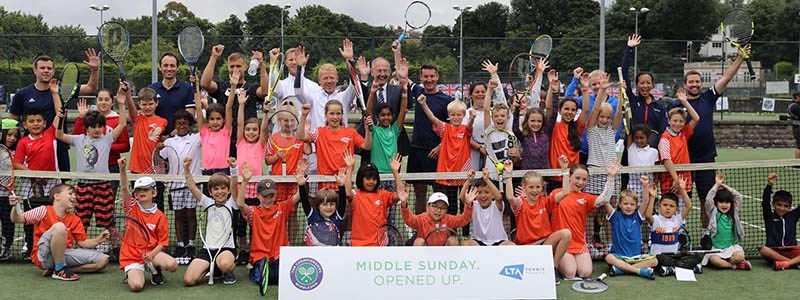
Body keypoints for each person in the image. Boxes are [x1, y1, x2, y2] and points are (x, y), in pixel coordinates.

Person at [670, 44, 752, 244]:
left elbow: (726, 77)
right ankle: (680, 233)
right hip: (684, 160)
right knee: (682, 199)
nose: (695, 84)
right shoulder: (675, 104)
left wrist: (740, 58)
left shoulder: (709, 97)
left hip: (706, 158)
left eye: (698, 81)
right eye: (691, 82)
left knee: (706, 200)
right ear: (685, 84)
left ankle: (706, 235)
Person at [54, 82, 128, 243]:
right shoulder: (79, 140)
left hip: (103, 185)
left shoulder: (107, 139)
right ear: (86, 128)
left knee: (108, 219)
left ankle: (115, 246)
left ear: (103, 127)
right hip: (83, 186)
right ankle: (80, 244)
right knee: (82, 219)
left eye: (100, 126)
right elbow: (59, 135)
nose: (96, 129)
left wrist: (122, 104)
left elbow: (122, 124)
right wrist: (60, 118)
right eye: (93, 127)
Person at [8, 50, 100, 173]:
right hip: (32, 149)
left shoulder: (63, 89)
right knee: (32, 187)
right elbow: (12, 122)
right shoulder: (22, 94)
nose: (46, 70)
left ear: (53, 71)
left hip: (59, 146)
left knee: (62, 187)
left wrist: (95, 69)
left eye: (49, 68)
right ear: (35, 70)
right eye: (42, 68)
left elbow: (90, 88)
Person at [8, 185, 110, 280]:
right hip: (43, 256)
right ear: (56, 196)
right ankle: (60, 268)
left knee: (103, 260)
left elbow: (83, 243)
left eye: (75, 194)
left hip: (63, 254)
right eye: (70, 194)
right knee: (59, 227)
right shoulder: (43, 210)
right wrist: (14, 207)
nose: (74, 196)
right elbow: (17, 219)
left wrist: (98, 240)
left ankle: (58, 269)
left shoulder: (75, 219)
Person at [12, 79, 64, 261]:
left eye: (39, 121)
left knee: (51, 217)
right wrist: (33, 175)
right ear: (25, 125)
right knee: (29, 219)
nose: (35, 124)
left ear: (44, 123)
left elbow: (59, 113)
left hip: (51, 185)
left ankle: (52, 246)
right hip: (30, 187)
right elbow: (17, 163)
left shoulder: (50, 134)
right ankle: (29, 247)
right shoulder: (23, 142)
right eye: (31, 121)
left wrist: (55, 93)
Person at [550, 160, 619, 279]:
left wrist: (611, 177)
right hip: (562, 244)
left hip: (579, 243)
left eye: (584, 179)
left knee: (585, 272)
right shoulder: (556, 193)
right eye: (577, 178)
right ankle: (554, 260)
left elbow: (604, 198)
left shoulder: (585, 198)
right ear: (569, 177)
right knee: (570, 273)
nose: (580, 182)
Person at [117, 158, 177, 291]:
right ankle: (133, 273)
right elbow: (124, 188)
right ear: (136, 194)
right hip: (131, 254)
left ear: (154, 193)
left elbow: (162, 243)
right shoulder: (130, 208)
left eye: (145, 189)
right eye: (139, 190)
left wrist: (151, 255)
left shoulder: (160, 216)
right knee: (137, 286)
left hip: (151, 252)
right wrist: (122, 169)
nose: (142, 192)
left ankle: (155, 269)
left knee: (172, 265)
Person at [200, 45, 271, 156]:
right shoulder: (222, 86)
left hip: (247, 138)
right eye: (232, 66)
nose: (235, 69)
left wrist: (261, 64)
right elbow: (205, 83)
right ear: (228, 68)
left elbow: (265, 91)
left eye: (238, 66)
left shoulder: (251, 87)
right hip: (225, 138)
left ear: (245, 67)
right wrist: (214, 57)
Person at [238, 162, 301, 286]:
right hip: (260, 257)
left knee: (281, 276)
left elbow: (298, 196)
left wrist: (301, 180)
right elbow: (240, 203)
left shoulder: (282, 207)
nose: (268, 199)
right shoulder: (253, 212)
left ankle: (265, 272)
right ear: (258, 196)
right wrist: (245, 181)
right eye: (265, 196)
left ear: (275, 195)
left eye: (271, 196)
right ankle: (258, 270)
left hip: (279, 255)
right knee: (261, 278)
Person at [182, 157, 239, 286]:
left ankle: (226, 271)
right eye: (216, 189)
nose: (220, 192)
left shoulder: (232, 203)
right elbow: (192, 187)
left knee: (225, 264)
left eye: (223, 188)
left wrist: (234, 169)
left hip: (226, 249)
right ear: (211, 192)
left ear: (228, 190)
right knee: (188, 280)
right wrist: (186, 169)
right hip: (207, 249)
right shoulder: (207, 203)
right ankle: (212, 268)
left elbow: (235, 185)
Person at [407, 64, 453, 214]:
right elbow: (402, 76)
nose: (429, 80)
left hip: (437, 153)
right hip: (416, 151)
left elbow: (452, 129)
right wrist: (397, 52)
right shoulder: (418, 91)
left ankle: (441, 230)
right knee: (419, 194)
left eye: (432, 76)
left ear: (437, 77)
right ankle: (419, 230)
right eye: (425, 76)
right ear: (421, 78)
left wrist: (441, 146)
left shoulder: (447, 100)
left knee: (440, 194)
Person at [417, 94, 473, 217]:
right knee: (451, 206)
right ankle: (451, 232)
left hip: (464, 173)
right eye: (453, 115)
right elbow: (432, 118)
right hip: (448, 174)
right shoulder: (445, 129)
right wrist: (423, 104)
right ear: (449, 116)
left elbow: (469, 126)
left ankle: (466, 233)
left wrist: (472, 118)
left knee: (465, 203)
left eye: (459, 115)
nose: (456, 117)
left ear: (463, 116)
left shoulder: (465, 129)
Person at [297, 101, 373, 192]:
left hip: (345, 182)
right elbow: (301, 136)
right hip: (325, 184)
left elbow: (366, 146)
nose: (335, 117)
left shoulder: (350, 132)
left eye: (338, 114)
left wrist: (368, 131)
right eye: (332, 113)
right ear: (325, 115)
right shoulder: (318, 132)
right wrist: (303, 116)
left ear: (342, 115)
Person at [72, 89, 131, 202]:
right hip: (89, 170)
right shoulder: (88, 118)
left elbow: (125, 146)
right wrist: (80, 117)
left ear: (112, 102)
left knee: (108, 203)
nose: (103, 102)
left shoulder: (117, 119)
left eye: (107, 99)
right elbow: (76, 137)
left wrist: (103, 148)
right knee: (86, 203)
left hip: (111, 166)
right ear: (96, 101)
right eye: (100, 99)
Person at [233, 85, 269, 265]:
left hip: (256, 192)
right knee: (240, 225)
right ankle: (243, 251)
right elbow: (239, 123)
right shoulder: (240, 142)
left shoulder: (261, 144)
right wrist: (240, 105)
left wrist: (266, 113)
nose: (251, 132)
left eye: (254, 130)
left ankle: (255, 251)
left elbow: (264, 130)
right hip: (241, 190)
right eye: (249, 130)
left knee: (255, 225)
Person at [161, 106, 202, 261]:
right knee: (178, 215)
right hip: (175, 185)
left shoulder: (196, 139)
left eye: (185, 124)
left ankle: (190, 244)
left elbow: (203, 125)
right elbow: (161, 158)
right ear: (175, 126)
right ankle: (180, 245)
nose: (182, 126)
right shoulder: (169, 142)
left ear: (189, 125)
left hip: (193, 183)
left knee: (191, 214)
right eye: (178, 124)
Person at [604, 176, 657, 280]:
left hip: (635, 258)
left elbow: (645, 201)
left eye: (632, 204)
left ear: (636, 206)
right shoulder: (615, 216)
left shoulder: (638, 216)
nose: (628, 206)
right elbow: (606, 201)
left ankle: (621, 270)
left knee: (655, 261)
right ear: (620, 204)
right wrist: (610, 177)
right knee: (608, 258)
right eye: (625, 204)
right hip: (619, 257)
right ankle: (638, 271)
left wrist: (645, 186)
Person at [346, 151, 403, 246]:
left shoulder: (383, 195)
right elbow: (347, 192)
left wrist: (395, 171)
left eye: (374, 179)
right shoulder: (356, 195)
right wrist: (349, 168)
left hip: (380, 244)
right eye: (368, 179)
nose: (371, 182)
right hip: (358, 245)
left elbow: (400, 194)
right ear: (361, 179)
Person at [565, 67, 620, 164]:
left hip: (603, 152)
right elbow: (567, 100)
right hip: (584, 150)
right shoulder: (586, 99)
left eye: (600, 83)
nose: (597, 86)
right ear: (590, 85)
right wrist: (575, 79)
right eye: (594, 84)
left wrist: (607, 143)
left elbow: (617, 129)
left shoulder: (614, 103)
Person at [547, 70, 590, 193]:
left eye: (573, 110)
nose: (569, 112)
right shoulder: (553, 126)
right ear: (560, 110)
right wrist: (552, 87)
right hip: (555, 177)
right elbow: (549, 108)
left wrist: (585, 88)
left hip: (573, 179)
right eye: (566, 109)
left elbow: (586, 111)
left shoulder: (577, 127)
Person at [126, 87, 168, 210]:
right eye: (144, 104)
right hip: (137, 170)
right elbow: (131, 109)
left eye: (150, 104)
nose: (147, 107)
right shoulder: (137, 119)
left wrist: (157, 132)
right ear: (139, 104)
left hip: (155, 171)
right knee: (137, 206)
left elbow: (160, 128)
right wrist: (128, 93)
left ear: (156, 103)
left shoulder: (161, 120)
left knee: (158, 205)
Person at [659, 87, 699, 212]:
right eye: (675, 121)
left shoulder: (684, 133)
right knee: (669, 211)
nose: (678, 124)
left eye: (681, 121)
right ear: (669, 121)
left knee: (682, 212)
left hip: (684, 179)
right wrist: (676, 179)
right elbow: (666, 160)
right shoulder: (665, 138)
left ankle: (680, 231)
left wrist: (684, 102)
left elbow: (696, 118)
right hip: (670, 181)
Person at [700, 173, 750, 270]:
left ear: (731, 203)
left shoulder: (734, 212)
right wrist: (717, 185)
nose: (724, 205)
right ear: (716, 203)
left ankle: (731, 262)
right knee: (715, 261)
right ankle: (734, 266)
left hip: (731, 248)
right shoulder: (713, 213)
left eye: (727, 202)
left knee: (740, 256)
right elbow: (708, 200)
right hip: (716, 249)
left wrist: (726, 187)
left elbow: (739, 197)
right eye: (721, 202)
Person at [644, 180, 693, 276]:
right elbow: (647, 215)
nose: (668, 208)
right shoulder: (656, 219)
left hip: (673, 257)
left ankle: (670, 269)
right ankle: (676, 268)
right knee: (660, 259)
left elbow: (688, 206)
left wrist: (682, 190)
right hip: (658, 257)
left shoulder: (677, 220)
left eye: (671, 206)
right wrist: (652, 196)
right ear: (659, 206)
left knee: (695, 256)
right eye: (665, 205)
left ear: (676, 209)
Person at [513, 68, 558, 171]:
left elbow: (554, 114)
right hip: (527, 174)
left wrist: (555, 93)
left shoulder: (546, 133)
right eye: (532, 121)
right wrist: (516, 109)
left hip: (544, 174)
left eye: (539, 121)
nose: (536, 124)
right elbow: (515, 128)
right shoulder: (524, 136)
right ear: (527, 121)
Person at [460, 168, 513, 247]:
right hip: (478, 242)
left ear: (492, 195)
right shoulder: (474, 205)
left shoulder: (496, 205)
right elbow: (462, 198)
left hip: (499, 241)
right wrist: (468, 181)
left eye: (487, 192)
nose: (483, 196)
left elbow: (498, 197)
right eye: (479, 192)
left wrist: (487, 179)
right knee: (465, 244)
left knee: (511, 245)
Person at [197, 72, 236, 178]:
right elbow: (198, 108)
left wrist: (233, 86)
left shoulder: (226, 132)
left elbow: (228, 107)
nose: (215, 122)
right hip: (207, 172)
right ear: (208, 120)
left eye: (218, 119)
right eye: (212, 119)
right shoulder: (204, 132)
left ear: (224, 120)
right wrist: (196, 85)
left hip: (223, 171)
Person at [400, 191, 474, 247]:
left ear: (446, 210)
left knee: (453, 240)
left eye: (442, 208)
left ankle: (449, 263)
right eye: (435, 206)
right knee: (418, 241)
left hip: (443, 250)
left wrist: (468, 204)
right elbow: (409, 219)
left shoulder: (448, 219)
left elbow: (463, 220)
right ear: (428, 206)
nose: (438, 210)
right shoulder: (421, 219)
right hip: (426, 249)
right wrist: (404, 203)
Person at [760, 173, 800, 270]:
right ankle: (792, 264)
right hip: (774, 251)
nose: (782, 208)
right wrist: (769, 185)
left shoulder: (793, 216)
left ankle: (784, 264)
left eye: (785, 206)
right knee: (763, 250)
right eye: (779, 205)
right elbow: (765, 202)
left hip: (791, 250)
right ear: (773, 204)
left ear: (790, 207)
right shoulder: (769, 216)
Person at [150, 53, 195, 135]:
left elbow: (189, 117)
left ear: (177, 68)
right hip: (156, 139)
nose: (169, 69)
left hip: (181, 139)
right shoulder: (152, 89)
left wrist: (170, 136)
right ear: (160, 68)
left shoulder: (187, 89)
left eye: (172, 66)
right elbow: (147, 115)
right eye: (165, 65)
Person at [0, 119, 20, 260]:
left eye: (15, 136)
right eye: (9, 135)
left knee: (8, 223)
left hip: (9, 196)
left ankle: (7, 248)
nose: (12, 138)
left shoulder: (17, 152)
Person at [626, 124, 659, 201]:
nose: (638, 140)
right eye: (636, 138)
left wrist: (655, 184)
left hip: (648, 188)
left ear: (648, 138)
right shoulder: (631, 148)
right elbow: (629, 132)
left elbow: (657, 171)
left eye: (641, 138)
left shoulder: (654, 152)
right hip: (632, 188)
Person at [788, 91, 800, 159]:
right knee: (799, 146)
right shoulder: (794, 106)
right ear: (797, 97)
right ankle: (797, 163)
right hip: (798, 128)